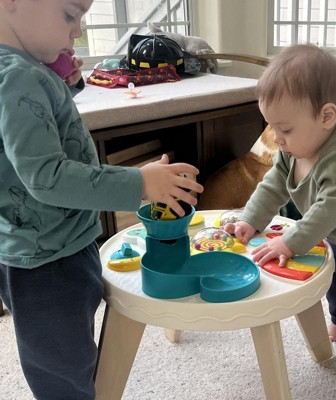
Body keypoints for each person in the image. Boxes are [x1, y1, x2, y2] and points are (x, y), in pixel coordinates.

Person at [0, 1, 203, 399]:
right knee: (64, 373)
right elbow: (48, 176)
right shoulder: (18, 77)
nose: (77, 30)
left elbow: (35, 134)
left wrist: (61, 82)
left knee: (66, 356)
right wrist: (138, 183)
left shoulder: (19, 71)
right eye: (69, 15)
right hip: (50, 262)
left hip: (38, 247)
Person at [224, 43, 336, 394]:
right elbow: (272, 185)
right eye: (272, 127)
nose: (276, 138)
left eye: (285, 129)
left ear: (326, 117)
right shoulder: (291, 151)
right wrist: (250, 220)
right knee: (335, 286)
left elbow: (326, 210)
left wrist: (288, 241)